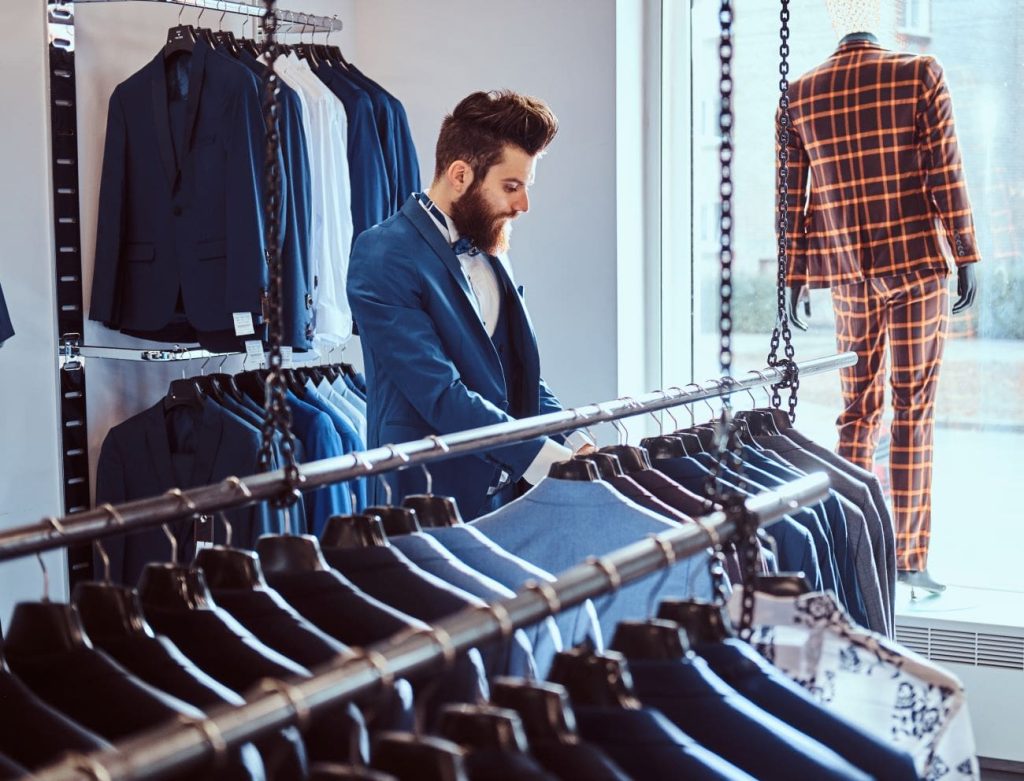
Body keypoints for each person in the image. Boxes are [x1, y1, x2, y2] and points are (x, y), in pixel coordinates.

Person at [782, 0, 980, 593]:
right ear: (878, 14)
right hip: (918, 263)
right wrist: (965, 252)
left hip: (848, 272)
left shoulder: (801, 93)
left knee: (857, 412)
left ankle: (853, 547)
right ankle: (909, 557)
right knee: (912, 406)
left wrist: (795, 274)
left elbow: (793, 197)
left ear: (833, 19)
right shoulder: (918, 73)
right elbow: (945, 170)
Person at [348, 90, 591, 520]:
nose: (523, 205)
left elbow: (517, 376)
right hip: (423, 501)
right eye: (511, 187)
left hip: (505, 497)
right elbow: (439, 393)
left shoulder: (492, 248)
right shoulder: (382, 254)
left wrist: (573, 439)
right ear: (460, 175)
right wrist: (547, 460)